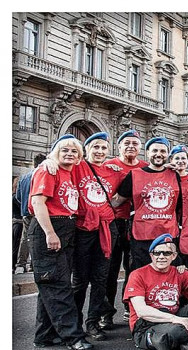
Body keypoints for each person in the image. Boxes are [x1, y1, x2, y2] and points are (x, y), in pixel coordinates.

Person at [28, 134, 91, 350]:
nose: (69, 154)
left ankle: (44, 336)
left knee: (50, 284)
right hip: (51, 225)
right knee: (58, 285)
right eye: (64, 150)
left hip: (66, 226)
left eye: (74, 151)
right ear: (56, 152)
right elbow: (38, 202)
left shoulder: (69, 171)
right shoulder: (48, 169)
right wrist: (49, 232)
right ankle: (73, 337)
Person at [68, 132, 123, 341]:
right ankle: (74, 324)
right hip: (82, 230)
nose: (99, 151)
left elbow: (137, 171)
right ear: (87, 149)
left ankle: (93, 323)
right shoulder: (77, 166)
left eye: (103, 148)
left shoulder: (114, 171)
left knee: (100, 279)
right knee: (79, 281)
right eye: (95, 147)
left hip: (106, 230)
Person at [111, 137, 183, 273]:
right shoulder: (134, 175)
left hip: (168, 235)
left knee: (166, 275)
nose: (158, 154)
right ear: (147, 152)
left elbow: (179, 206)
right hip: (142, 236)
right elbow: (117, 201)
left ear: (167, 154)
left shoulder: (174, 175)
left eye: (163, 151)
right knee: (138, 274)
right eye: (155, 150)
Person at [101, 129, 149, 327]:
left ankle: (129, 306)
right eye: (126, 143)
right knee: (109, 269)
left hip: (137, 224)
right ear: (118, 146)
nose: (130, 146)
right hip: (112, 222)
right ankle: (106, 312)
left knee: (133, 268)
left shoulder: (145, 167)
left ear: (140, 148)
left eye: (135, 143)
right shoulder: (109, 165)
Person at [15, 153, 46, 273]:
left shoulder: (23, 178)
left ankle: (20, 265)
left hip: (25, 212)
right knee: (39, 239)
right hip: (39, 211)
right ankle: (34, 265)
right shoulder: (43, 175)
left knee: (25, 238)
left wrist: (24, 206)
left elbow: (18, 196)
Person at [12, 177, 23, 272]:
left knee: (15, 245)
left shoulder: (13, 197)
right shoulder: (15, 197)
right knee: (16, 245)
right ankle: (13, 264)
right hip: (18, 222)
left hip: (15, 222)